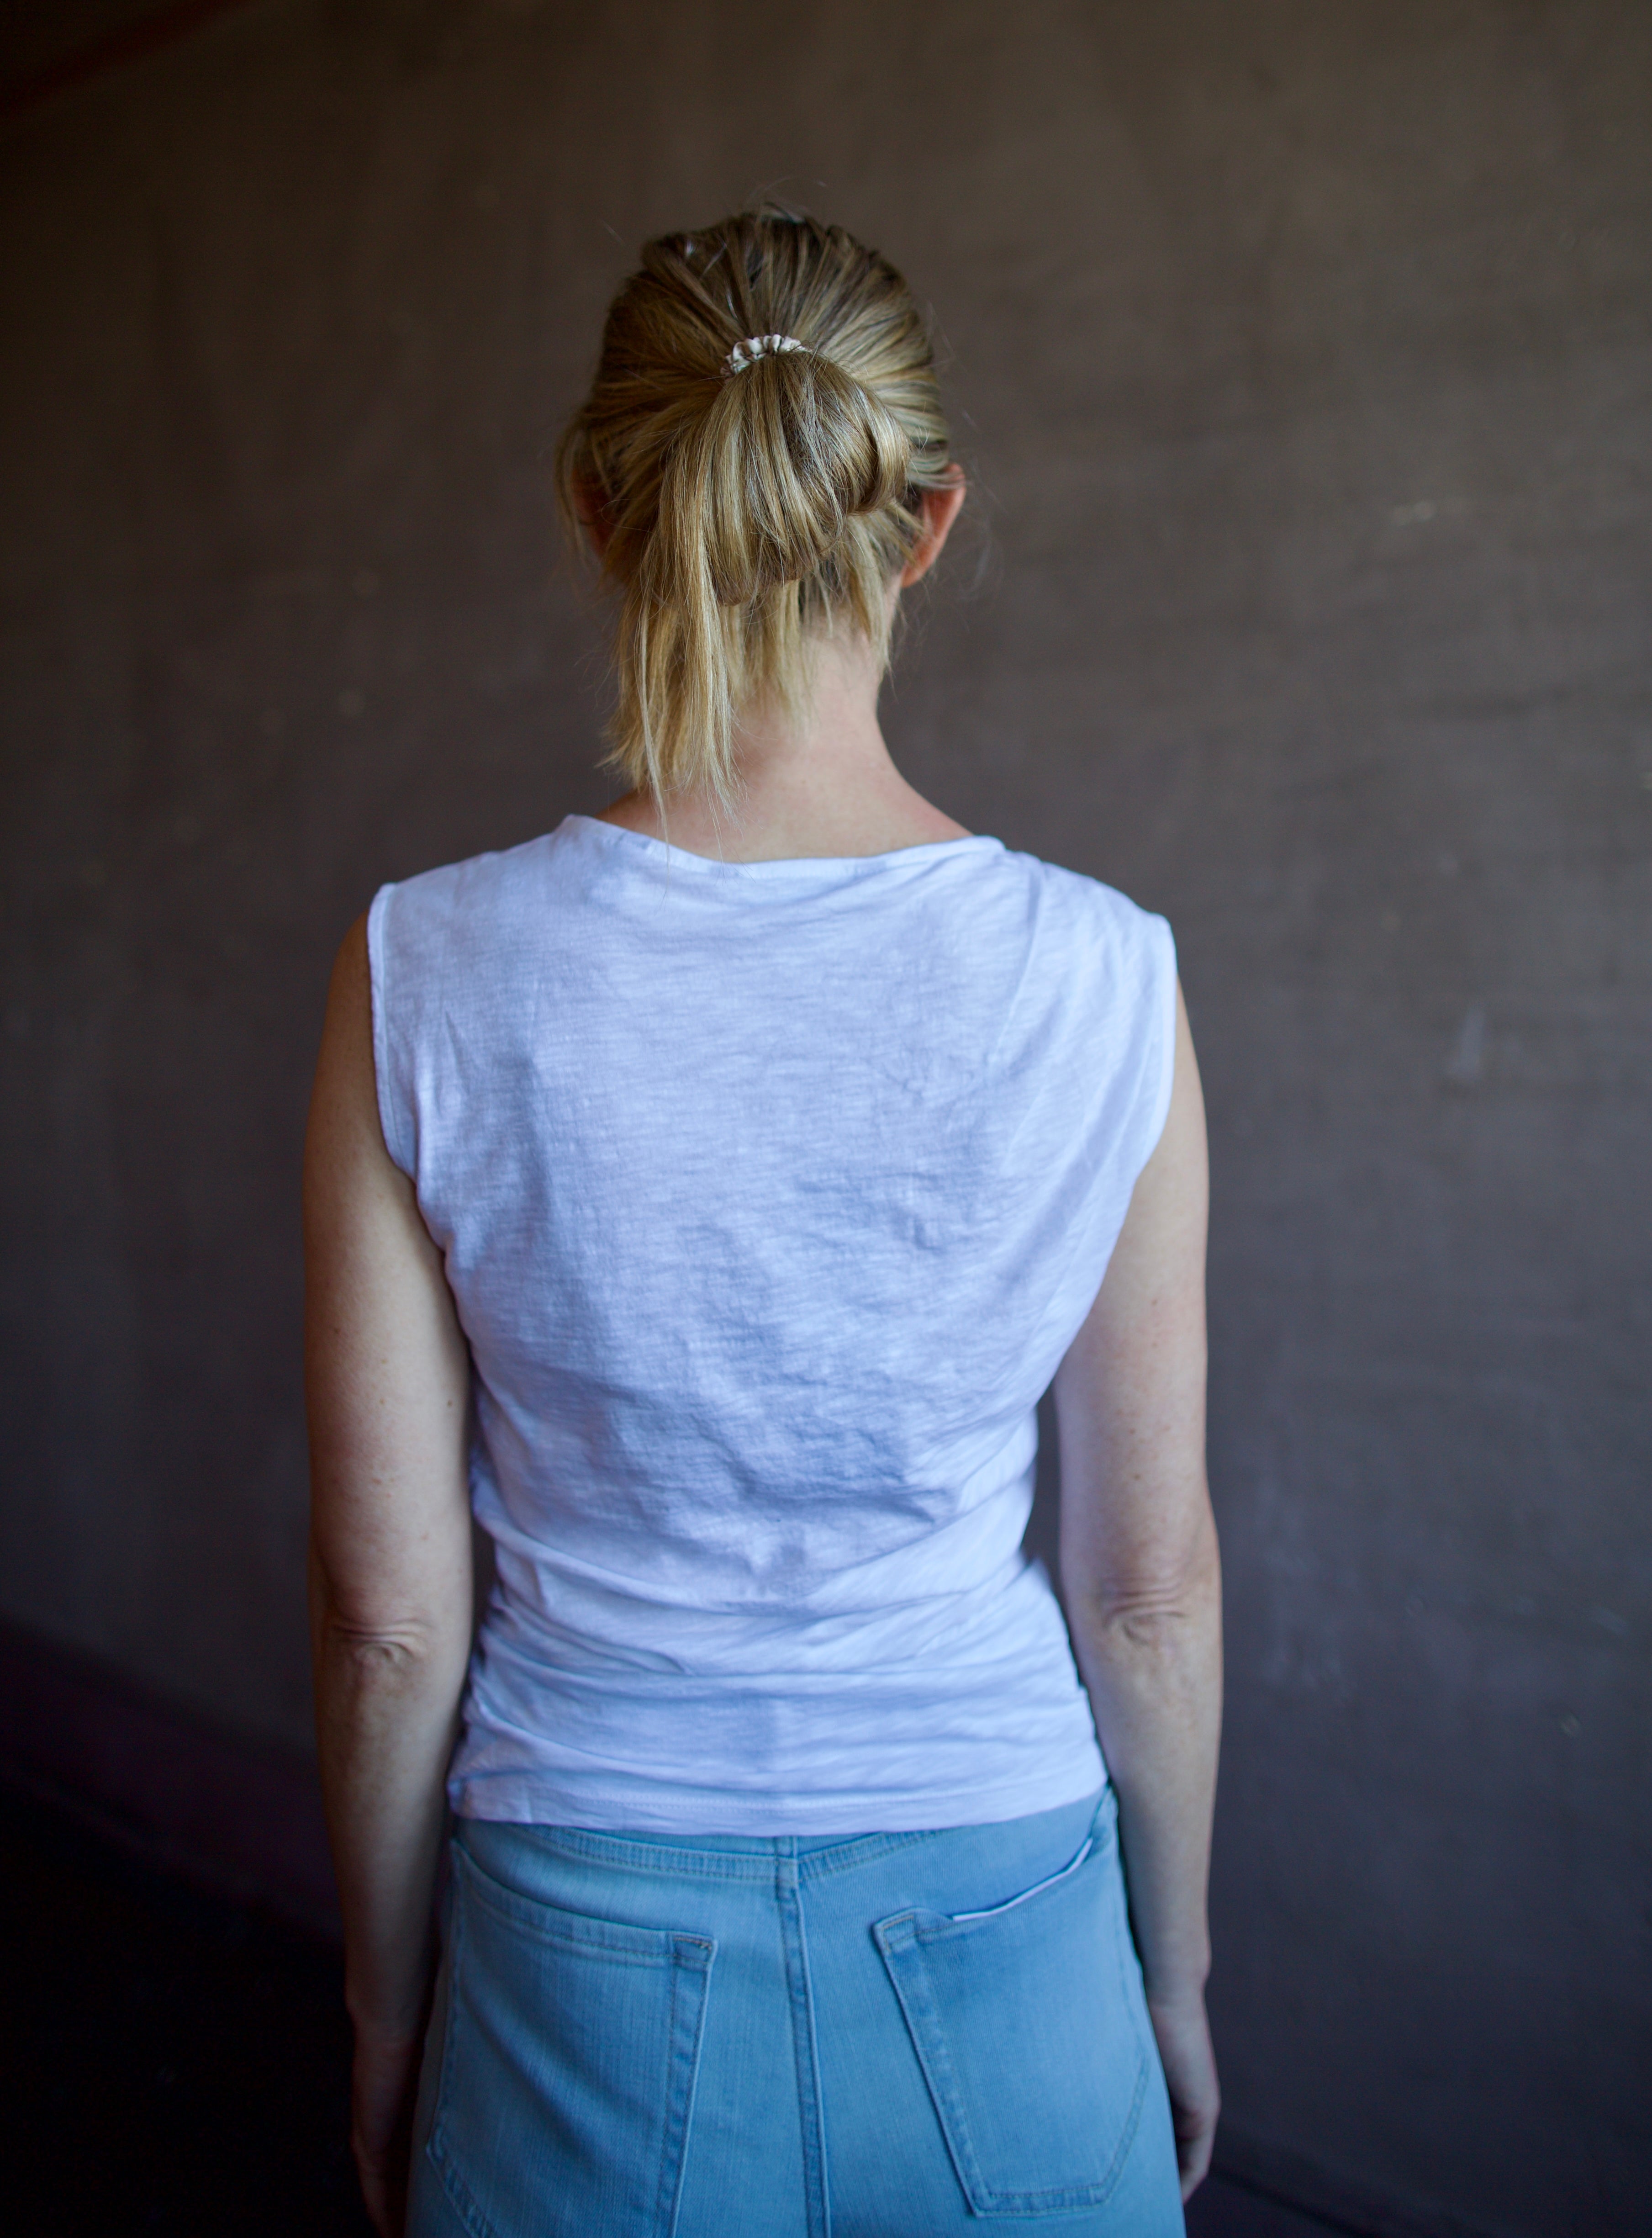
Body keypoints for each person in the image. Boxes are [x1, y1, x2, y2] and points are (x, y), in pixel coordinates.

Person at [305, 207, 1221, 2238]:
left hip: (577, 1951)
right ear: (926, 521)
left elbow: (388, 1626)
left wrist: (383, 2012)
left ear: (593, 507)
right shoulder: (1106, 975)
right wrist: (1164, 1977)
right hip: (1010, 1924)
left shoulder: (420, 967)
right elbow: (1146, 1592)